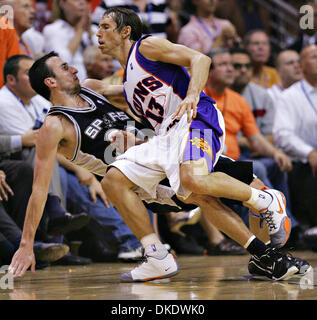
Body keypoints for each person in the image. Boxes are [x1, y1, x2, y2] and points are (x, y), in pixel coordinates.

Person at [9, 51, 309, 281]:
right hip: (144, 179)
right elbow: (39, 189)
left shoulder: (90, 88)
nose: (73, 68)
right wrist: (26, 244)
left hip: (166, 145)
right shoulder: (55, 125)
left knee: (254, 183)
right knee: (201, 195)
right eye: (64, 68)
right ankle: (265, 256)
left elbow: (132, 91)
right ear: (50, 82)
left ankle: (263, 258)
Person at [95, 8, 298, 282]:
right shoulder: (128, 83)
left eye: (105, 26)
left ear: (125, 31)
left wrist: (191, 95)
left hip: (196, 117)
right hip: (166, 137)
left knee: (193, 179)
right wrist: (91, 89)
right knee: (114, 180)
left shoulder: (147, 46)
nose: (98, 33)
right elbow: (118, 93)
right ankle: (156, 255)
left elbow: (200, 58)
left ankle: (266, 199)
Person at [273, 44, 317, 239]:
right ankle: (310, 226)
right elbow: (283, 134)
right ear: (301, 65)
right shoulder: (289, 96)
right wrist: (309, 152)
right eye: (314, 57)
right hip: (304, 161)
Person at [42, 0, 97, 81]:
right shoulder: (53, 30)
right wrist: (80, 30)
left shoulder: (93, 30)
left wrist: (89, 31)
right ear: (62, 3)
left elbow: (107, 57)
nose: (82, 2)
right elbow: (61, 62)